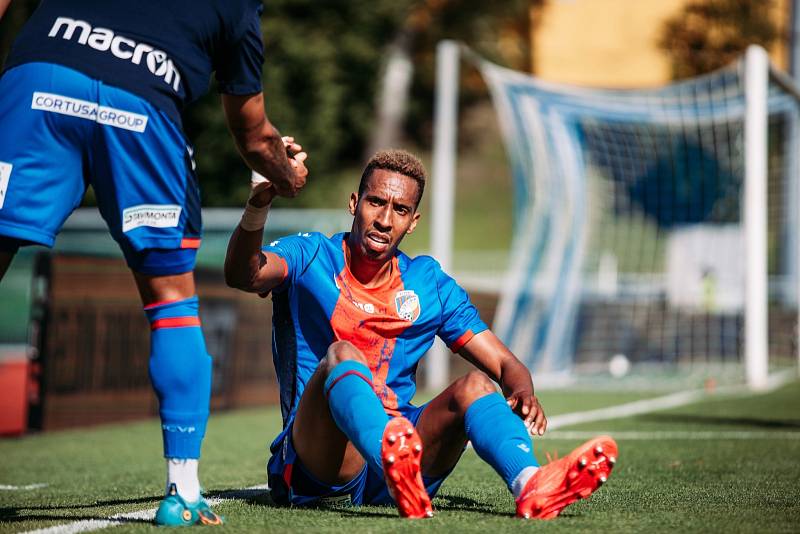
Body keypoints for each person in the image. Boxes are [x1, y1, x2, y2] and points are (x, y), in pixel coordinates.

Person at [0, 0, 308, 526]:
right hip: (139, 107)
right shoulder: (238, 8)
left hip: (39, 80)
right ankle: (182, 490)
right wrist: (286, 177)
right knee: (171, 302)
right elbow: (254, 134)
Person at [224, 149, 616, 519]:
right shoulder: (311, 255)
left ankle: (531, 484)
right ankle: (392, 461)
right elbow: (244, 274)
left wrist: (523, 391)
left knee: (477, 385)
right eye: (375, 202)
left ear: (413, 221)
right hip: (324, 461)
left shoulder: (428, 283)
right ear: (353, 203)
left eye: (400, 210)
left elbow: (503, 363)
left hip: (403, 453)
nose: (384, 219)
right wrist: (259, 203)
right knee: (342, 354)